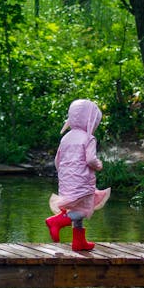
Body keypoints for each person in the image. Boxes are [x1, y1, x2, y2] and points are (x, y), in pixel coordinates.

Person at [45, 99, 110, 251]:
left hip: (67, 181)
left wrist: (66, 173)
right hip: (83, 181)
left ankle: (78, 242)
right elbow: (91, 160)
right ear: (90, 120)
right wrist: (98, 165)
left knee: (76, 207)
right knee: (82, 211)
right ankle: (58, 222)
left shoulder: (66, 137)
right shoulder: (89, 138)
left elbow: (57, 161)